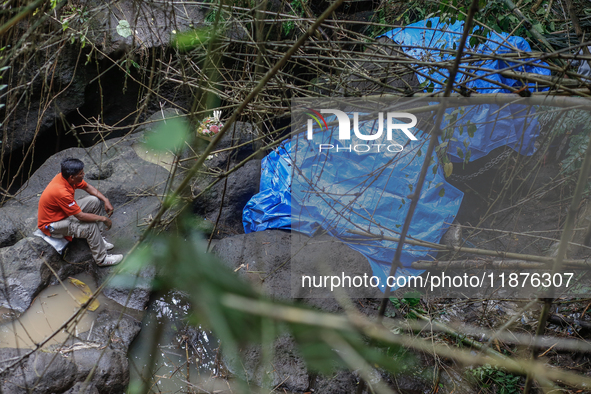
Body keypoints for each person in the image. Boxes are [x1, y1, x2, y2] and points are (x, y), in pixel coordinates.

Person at [37, 157, 123, 266]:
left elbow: (87, 187)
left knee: (94, 201)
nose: (83, 174)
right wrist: (104, 219)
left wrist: (105, 200)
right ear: (72, 177)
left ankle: (98, 240)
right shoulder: (61, 191)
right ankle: (101, 259)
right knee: (90, 227)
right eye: (81, 173)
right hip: (52, 223)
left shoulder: (66, 178)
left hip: (63, 212)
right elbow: (80, 216)